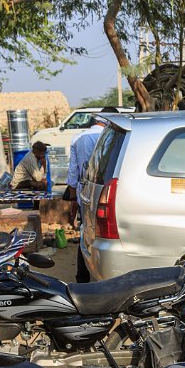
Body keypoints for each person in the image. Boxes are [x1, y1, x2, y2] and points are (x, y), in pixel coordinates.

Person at [65, 106, 118, 283]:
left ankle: (82, 278)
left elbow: (73, 173)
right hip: (107, 194)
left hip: (85, 195)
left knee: (85, 235)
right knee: (105, 237)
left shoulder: (78, 137)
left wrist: (73, 200)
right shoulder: (112, 137)